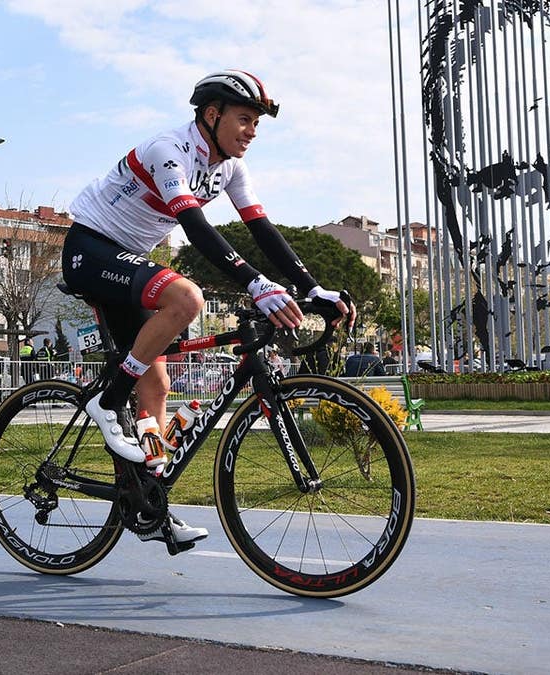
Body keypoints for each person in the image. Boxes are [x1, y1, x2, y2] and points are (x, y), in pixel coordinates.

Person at [63, 69, 355, 547]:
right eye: (244, 119)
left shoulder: (230, 169)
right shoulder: (168, 150)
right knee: (188, 297)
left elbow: (262, 229)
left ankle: (150, 500)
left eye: (257, 124)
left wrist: (312, 286)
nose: (251, 132)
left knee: (155, 384)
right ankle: (108, 400)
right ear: (212, 114)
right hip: (90, 248)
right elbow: (196, 228)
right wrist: (257, 284)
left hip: (130, 259)